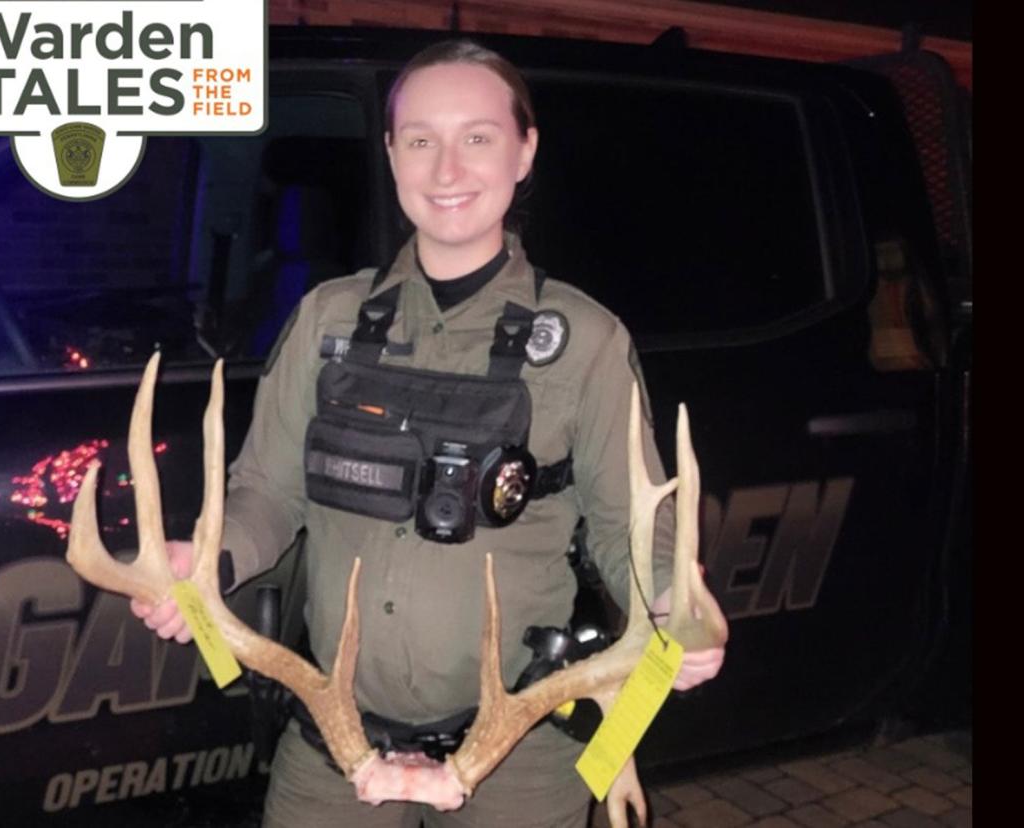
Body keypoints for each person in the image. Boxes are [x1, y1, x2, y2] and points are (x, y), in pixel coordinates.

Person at [133, 39, 724, 828]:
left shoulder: (585, 339)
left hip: (521, 749)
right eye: (420, 140)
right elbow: (266, 493)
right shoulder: (328, 320)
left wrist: (673, 609)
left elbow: (628, 530)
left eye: (478, 137)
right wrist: (206, 562)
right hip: (334, 745)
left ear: (525, 152)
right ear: (391, 154)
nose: (447, 171)